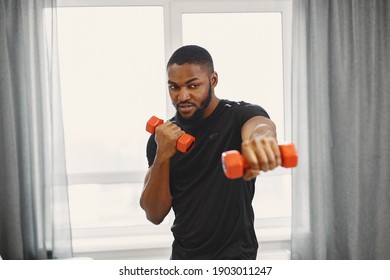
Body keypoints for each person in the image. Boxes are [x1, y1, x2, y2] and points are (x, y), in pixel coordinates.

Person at [140, 45, 281, 260]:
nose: (182, 96)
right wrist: (162, 155)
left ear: (213, 80)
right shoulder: (163, 137)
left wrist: (262, 140)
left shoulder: (238, 116)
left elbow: (260, 126)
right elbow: (154, 214)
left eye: (193, 85)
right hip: (184, 259)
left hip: (236, 259)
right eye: (174, 87)